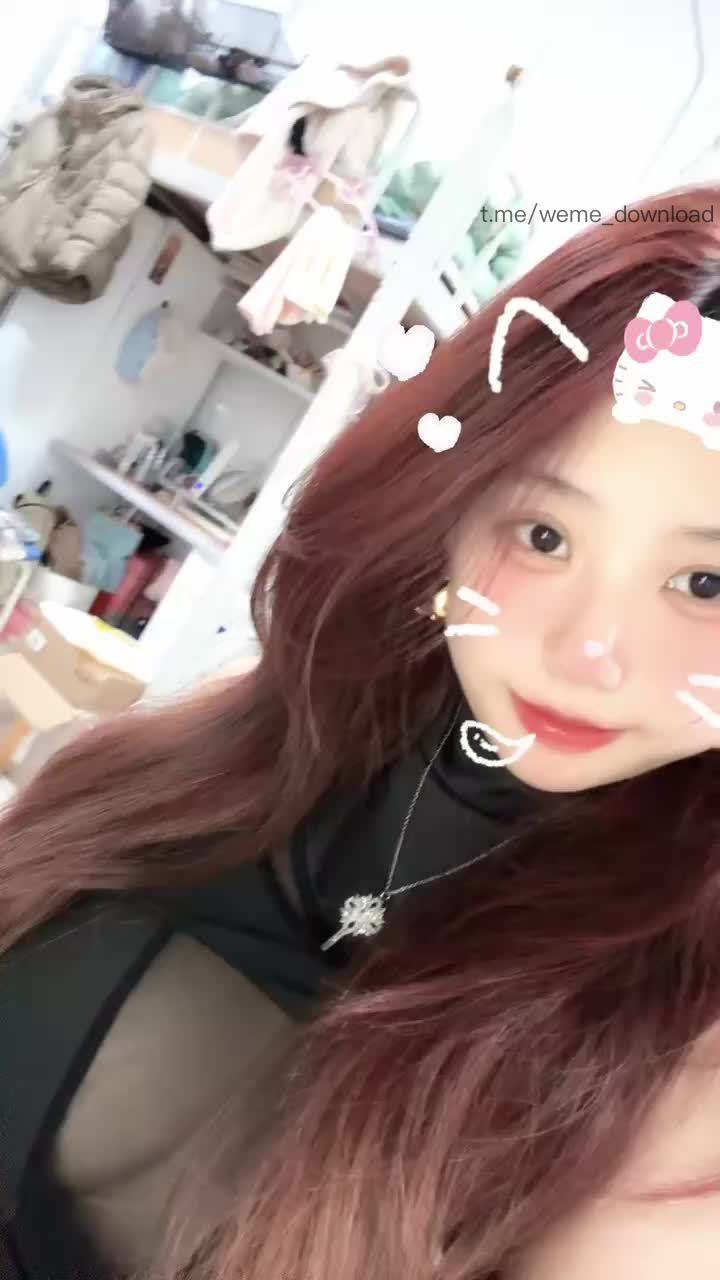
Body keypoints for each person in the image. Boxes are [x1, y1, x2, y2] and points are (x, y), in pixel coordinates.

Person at [2, 183, 720, 1280]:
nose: (588, 651)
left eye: (706, 583)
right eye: (543, 534)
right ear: (453, 505)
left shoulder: (679, 1054)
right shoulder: (226, 752)